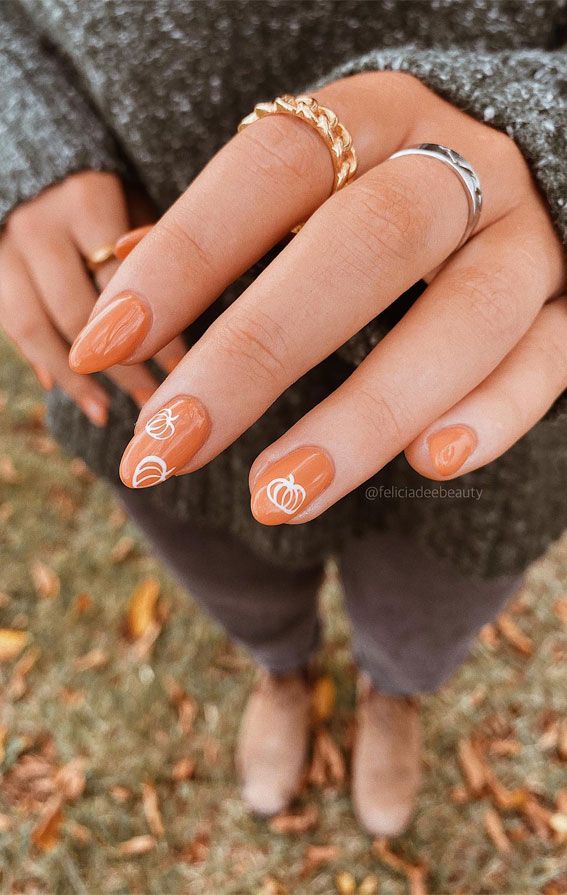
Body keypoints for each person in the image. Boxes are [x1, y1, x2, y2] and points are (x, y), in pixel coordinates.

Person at [0, 0, 565, 835]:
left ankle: (392, 692)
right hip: (155, 341)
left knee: (426, 609)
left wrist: (546, 140)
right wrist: (26, 141)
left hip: (487, 348)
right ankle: (282, 670)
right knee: (237, 579)